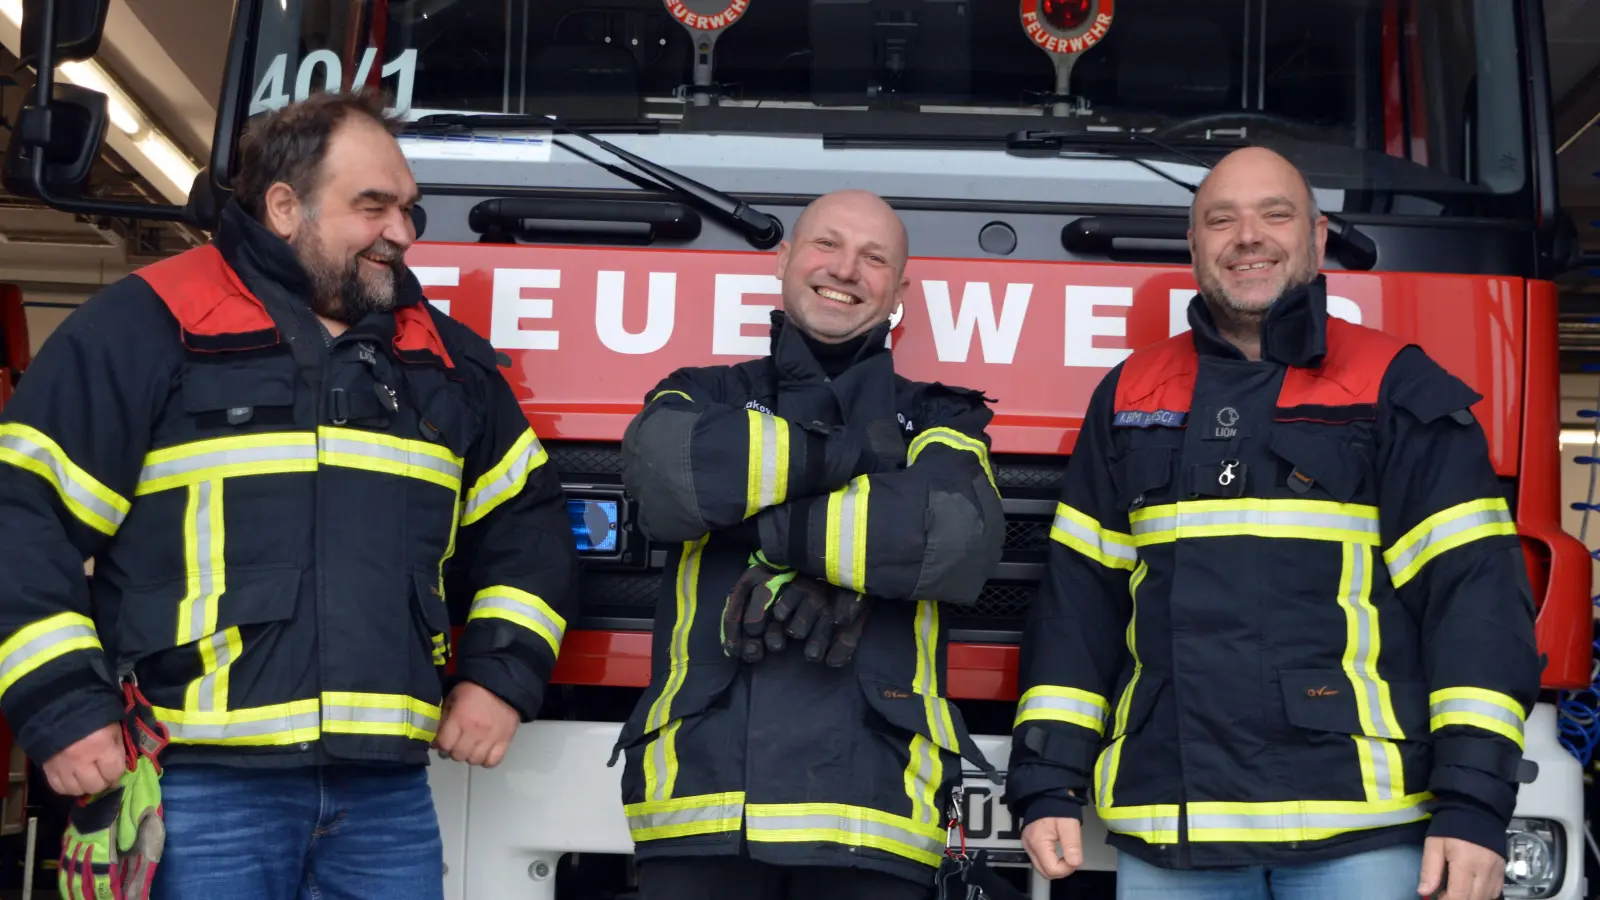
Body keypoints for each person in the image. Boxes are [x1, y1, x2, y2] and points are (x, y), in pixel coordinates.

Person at [0, 89, 579, 900]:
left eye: (407, 208)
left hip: (386, 797)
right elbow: (21, 521)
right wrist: (63, 710)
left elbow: (529, 528)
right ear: (283, 207)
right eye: (372, 206)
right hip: (197, 786)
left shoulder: (445, 361)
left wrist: (499, 677)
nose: (402, 232)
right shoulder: (147, 328)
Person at [1004, 146, 1540, 900]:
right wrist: (1049, 775)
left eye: (1274, 214)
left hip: (1356, 829)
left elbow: (1474, 601)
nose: (1247, 236)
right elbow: (1079, 606)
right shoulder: (1130, 395)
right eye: (1221, 220)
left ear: (1317, 238)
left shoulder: (1394, 386)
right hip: (1173, 829)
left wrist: (1473, 801)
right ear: (1194, 246)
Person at [612, 189, 1005, 899]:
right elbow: (664, 478)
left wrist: (760, 525)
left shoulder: (939, 415)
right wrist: (862, 470)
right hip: (702, 797)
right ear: (785, 259)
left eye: (873, 258)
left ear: (900, 291)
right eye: (827, 244)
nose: (846, 269)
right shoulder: (700, 391)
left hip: (874, 808)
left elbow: (953, 538)